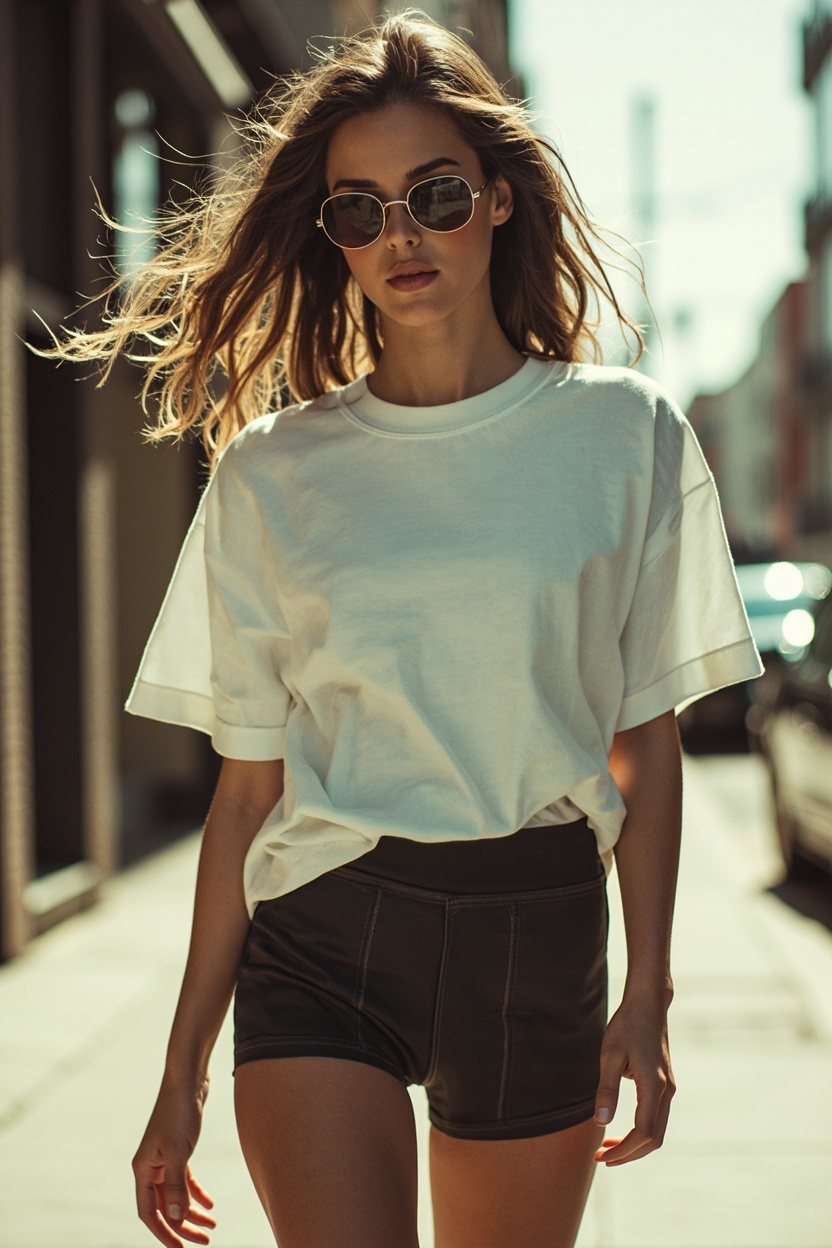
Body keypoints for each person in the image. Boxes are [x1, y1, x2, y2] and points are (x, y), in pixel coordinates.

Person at [47, 13, 761, 1248]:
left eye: (432, 196)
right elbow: (242, 797)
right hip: (327, 927)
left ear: (496, 199)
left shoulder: (623, 437)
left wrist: (645, 994)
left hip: (535, 933)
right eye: (358, 212)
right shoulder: (275, 471)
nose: (400, 237)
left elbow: (647, 746)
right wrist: (181, 1072)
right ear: (332, 241)